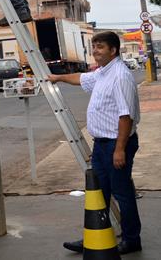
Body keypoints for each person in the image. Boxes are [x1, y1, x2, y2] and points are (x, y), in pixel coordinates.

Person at [49, 31, 142, 255]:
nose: (95, 51)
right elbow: (81, 78)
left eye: (100, 47)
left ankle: (131, 240)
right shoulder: (102, 73)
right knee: (98, 194)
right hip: (102, 145)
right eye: (94, 46)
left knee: (122, 193)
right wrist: (58, 78)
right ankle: (96, 235)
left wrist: (119, 149)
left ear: (113, 50)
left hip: (116, 144)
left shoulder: (119, 75)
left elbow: (125, 116)